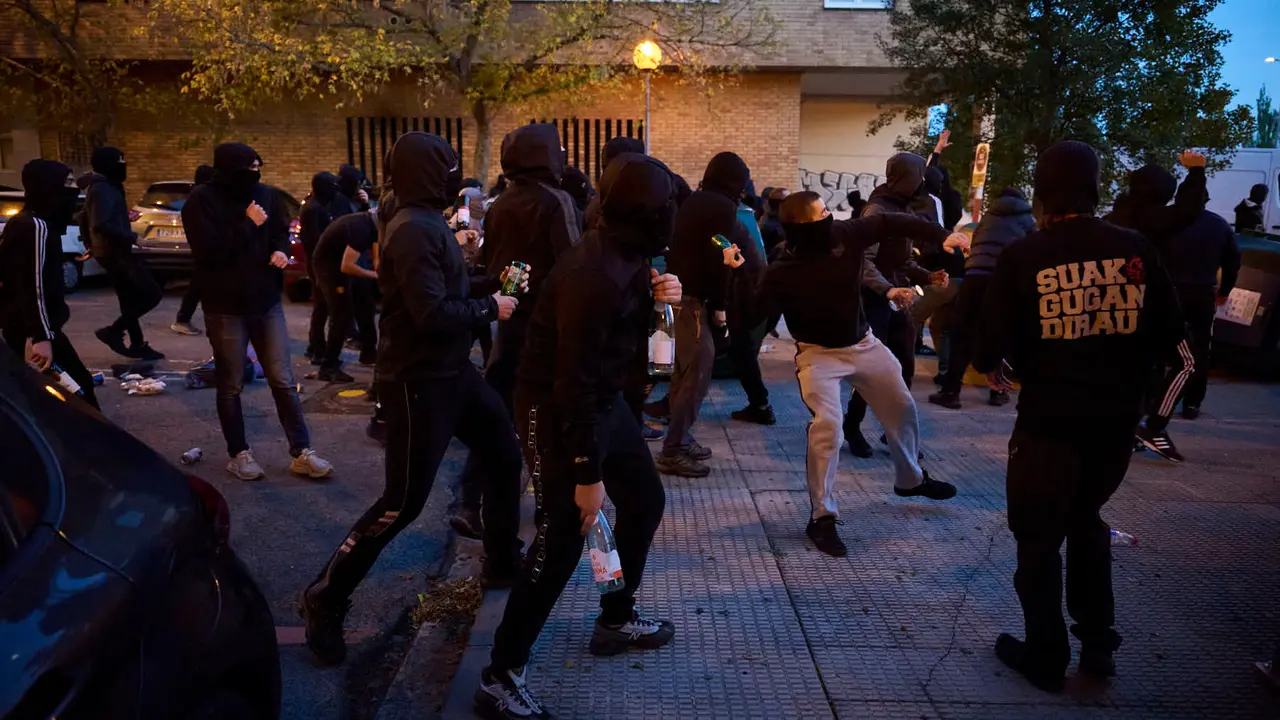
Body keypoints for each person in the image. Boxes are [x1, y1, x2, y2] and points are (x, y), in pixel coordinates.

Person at [300, 132, 523, 667]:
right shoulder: (413, 229)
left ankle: (501, 559)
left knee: (504, 453)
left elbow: (447, 288)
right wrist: (493, 307)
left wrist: (492, 280)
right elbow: (431, 314)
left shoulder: (424, 222)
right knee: (401, 504)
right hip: (417, 382)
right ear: (426, 174)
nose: (454, 176)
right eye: (446, 167)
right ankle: (326, 596)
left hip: (453, 373)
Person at [974, 141, 1187, 693]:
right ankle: (1098, 645)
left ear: (1043, 195)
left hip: (1048, 422)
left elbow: (987, 346)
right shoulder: (1134, 247)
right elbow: (1170, 333)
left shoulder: (1025, 255)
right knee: (1086, 520)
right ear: (1094, 188)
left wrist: (1005, 365)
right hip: (1113, 422)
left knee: (1038, 538)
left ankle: (1045, 655)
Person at [476, 152, 683, 719]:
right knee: (563, 534)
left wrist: (664, 302)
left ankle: (615, 618)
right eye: (666, 207)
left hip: (600, 401)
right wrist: (587, 474)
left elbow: (645, 361)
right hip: (557, 405)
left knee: (643, 501)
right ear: (646, 211)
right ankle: (500, 673)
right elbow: (571, 385)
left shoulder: (631, 254)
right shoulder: (594, 272)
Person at [744, 191, 966, 557]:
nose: (832, 217)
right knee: (827, 426)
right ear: (804, 227)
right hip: (817, 355)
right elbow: (753, 313)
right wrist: (739, 276)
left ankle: (910, 481)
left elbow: (892, 222)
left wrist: (940, 234)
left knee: (901, 406)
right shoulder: (782, 270)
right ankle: (822, 516)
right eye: (824, 214)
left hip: (864, 345)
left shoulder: (846, 235)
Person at [449, 123, 583, 539]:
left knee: (497, 416)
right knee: (543, 423)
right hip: (546, 332)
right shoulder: (556, 200)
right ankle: (545, 506)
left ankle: (470, 502)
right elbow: (574, 267)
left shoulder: (503, 202)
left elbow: (491, 263)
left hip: (508, 323)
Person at [182, 143, 333, 481]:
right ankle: (239, 454)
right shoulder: (201, 201)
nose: (255, 172)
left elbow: (279, 232)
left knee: (283, 379)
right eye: (248, 166)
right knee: (231, 383)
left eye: (257, 166)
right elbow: (209, 252)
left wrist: (280, 252)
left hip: (265, 301)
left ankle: (301, 451)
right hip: (225, 306)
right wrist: (246, 224)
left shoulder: (263, 193)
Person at [655, 151, 753, 477]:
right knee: (696, 375)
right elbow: (722, 260)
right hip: (692, 301)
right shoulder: (723, 208)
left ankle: (679, 437)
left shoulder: (696, 201)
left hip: (679, 296)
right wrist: (722, 310)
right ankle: (674, 450)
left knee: (685, 375)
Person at [1104, 157, 1208, 463]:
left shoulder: (1113, 219)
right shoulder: (1153, 221)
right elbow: (1189, 210)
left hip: (1115, 307)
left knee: (1131, 369)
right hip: (1151, 306)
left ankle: (1125, 428)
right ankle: (1154, 426)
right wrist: (1197, 171)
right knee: (1187, 362)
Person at [845, 153, 947, 458]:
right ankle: (852, 426)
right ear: (906, 176)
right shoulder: (878, 209)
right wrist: (889, 290)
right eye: (919, 176)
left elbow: (902, 261)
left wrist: (927, 275)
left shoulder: (902, 207)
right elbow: (864, 261)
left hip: (897, 302)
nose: (922, 183)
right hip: (874, 303)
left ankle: (896, 433)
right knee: (874, 372)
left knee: (904, 367)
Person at [0, 159, 99, 409]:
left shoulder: (28, 223)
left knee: (45, 397)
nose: (72, 191)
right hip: (35, 334)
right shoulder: (36, 227)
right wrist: (40, 336)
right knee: (78, 394)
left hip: (28, 330)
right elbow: (33, 286)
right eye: (65, 183)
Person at [929, 187, 1037, 409]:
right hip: (1002, 281)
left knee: (962, 334)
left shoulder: (988, 218)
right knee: (1001, 334)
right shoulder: (1027, 219)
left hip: (974, 278)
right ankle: (998, 392)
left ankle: (951, 391)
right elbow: (1032, 249)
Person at [1149, 183, 1241, 423]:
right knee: (1199, 350)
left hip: (1167, 293)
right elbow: (1232, 261)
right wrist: (1225, 290)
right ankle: (1191, 402)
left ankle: (1154, 399)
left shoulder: (1163, 222)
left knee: (1158, 348)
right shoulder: (1219, 225)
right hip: (1201, 295)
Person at [84, 146, 164, 361]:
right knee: (152, 294)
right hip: (115, 252)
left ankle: (137, 343)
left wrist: (89, 244)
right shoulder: (103, 189)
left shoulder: (104, 186)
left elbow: (84, 217)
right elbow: (101, 223)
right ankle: (113, 331)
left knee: (129, 299)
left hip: (110, 251)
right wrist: (132, 237)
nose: (123, 165)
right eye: (120, 160)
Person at [311, 209, 380, 383]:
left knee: (365, 305)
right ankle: (328, 367)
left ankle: (369, 353)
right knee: (341, 314)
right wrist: (374, 275)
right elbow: (346, 266)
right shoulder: (361, 229)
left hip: (342, 262)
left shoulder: (371, 224)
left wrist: (376, 266)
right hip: (330, 267)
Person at [171, 164, 216, 336]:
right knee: (201, 287)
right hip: (204, 251)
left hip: (201, 251)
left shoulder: (197, 198)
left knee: (198, 286)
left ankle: (183, 319)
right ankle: (183, 319)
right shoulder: (200, 199)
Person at [301, 171, 340, 360]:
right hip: (318, 264)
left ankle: (314, 345)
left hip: (318, 262)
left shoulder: (318, 206)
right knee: (322, 306)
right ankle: (317, 348)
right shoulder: (313, 209)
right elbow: (314, 240)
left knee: (322, 306)